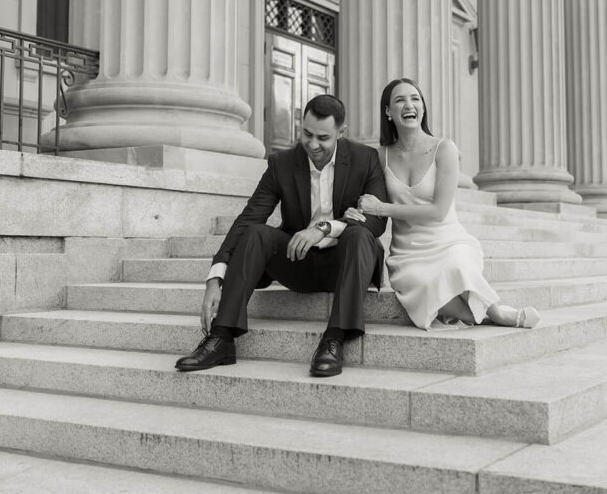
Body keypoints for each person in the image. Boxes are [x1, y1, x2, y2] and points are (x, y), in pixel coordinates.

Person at [175, 94, 388, 377]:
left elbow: (376, 221)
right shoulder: (282, 163)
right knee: (255, 233)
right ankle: (222, 338)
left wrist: (323, 228)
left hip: (346, 263)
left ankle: (334, 338)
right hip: (298, 262)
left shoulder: (365, 159)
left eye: (323, 138)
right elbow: (249, 218)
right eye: (307, 134)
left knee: (361, 236)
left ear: (341, 133)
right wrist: (216, 277)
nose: (313, 145)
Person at [354, 78, 539, 331]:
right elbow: (364, 196)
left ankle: (496, 310)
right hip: (408, 252)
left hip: (447, 240)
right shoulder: (380, 155)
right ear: (388, 111)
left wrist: (382, 208)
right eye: (400, 100)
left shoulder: (445, 149)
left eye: (415, 98)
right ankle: (492, 315)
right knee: (424, 286)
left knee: (457, 266)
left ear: (423, 107)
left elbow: (438, 211)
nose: (409, 105)